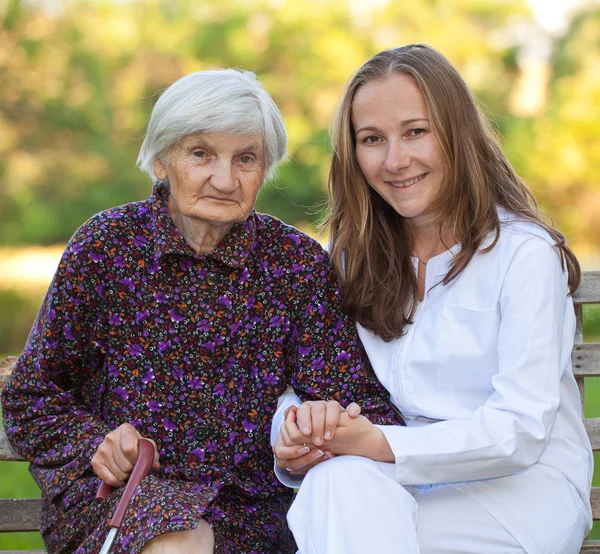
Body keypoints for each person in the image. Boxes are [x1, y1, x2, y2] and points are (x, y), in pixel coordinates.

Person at [0, 68, 403, 554]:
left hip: (248, 509)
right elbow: (31, 396)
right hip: (122, 498)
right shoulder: (105, 247)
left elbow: (363, 407)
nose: (224, 178)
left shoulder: (294, 265)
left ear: (264, 170)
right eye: (200, 154)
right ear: (160, 162)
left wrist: (318, 423)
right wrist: (95, 442)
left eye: (246, 159)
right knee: (175, 542)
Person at [272, 44, 593, 554]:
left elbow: (520, 430)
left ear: (456, 133)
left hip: (516, 490)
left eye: (415, 132)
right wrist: (291, 432)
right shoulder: (348, 258)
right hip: (386, 481)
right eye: (372, 139)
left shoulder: (523, 255)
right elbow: (300, 377)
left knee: (351, 513)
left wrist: (376, 443)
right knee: (337, 486)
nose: (396, 161)